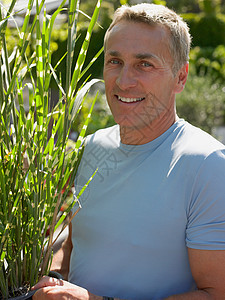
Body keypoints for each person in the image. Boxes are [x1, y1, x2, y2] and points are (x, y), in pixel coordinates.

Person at [32, 3, 225, 300]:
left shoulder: (207, 164)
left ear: (181, 77)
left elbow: (216, 294)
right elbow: (76, 247)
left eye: (144, 64)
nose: (123, 81)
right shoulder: (91, 148)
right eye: (115, 61)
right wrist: (54, 281)